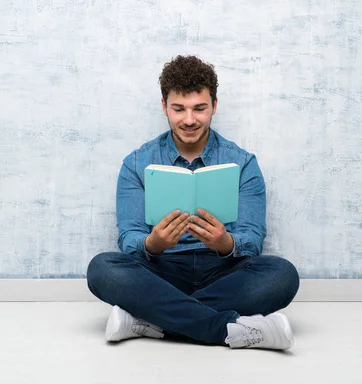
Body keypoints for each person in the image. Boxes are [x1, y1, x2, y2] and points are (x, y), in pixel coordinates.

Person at [87, 55, 300, 350]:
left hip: (224, 274)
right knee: (102, 269)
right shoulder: (137, 163)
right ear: (164, 106)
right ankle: (228, 330)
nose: (189, 120)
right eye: (179, 109)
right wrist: (153, 243)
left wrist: (226, 243)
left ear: (214, 105)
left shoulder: (243, 163)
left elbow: (252, 237)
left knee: (282, 275)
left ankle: (151, 320)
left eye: (199, 108)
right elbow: (129, 237)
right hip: (161, 272)